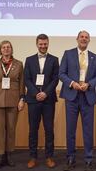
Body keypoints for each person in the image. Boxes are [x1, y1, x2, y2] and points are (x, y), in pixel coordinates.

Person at [59, 30, 96, 171]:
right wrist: (72, 83)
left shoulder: (95, 57)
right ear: (77, 39)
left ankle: (89, 159)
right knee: (70, 130)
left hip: (88, 97)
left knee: (88, 131)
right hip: (71, 96)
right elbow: (61, 74)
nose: (84, 39)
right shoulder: (68, 54)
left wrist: (88, 84)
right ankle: (70, 158)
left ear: (89, 40)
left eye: (86, 37)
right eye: (81, 37)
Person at [0, 40, 25, 170]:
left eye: (8, 47)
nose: (6, 49)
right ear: (0, 50)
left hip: (13, 101)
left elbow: (22, 84)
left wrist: (21, 99)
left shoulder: (18, 64)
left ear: (11, 49)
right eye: (3, 47)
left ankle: (9, 154)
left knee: (11, 128)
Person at [24, 34, 59, 169]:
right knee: (33, 130)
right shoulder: (29, 59)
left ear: (48, 43)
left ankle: (49, 157)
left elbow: (55, 79)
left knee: (49, 129)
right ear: (37, 44)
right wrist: (35, 93)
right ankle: (33, 157)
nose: (43, 46)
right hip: (33, 100)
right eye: (41, 44)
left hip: (48, 100)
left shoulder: (54, 60)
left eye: (45, 44)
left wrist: (45, 93)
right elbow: (27, 79)